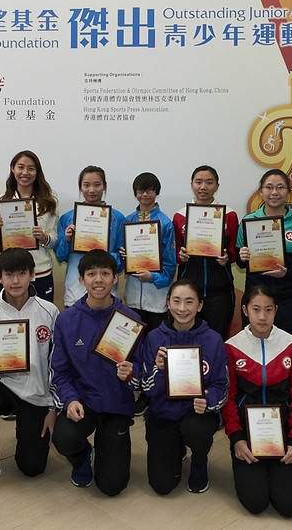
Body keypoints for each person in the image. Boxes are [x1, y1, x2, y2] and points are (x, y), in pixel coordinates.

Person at [0, 248, 59, 495]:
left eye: (21, 273)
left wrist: (52, 407)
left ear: (32, 275)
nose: (15, 281)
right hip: (2, 387)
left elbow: (57, 364)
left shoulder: (49, 312)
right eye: (9, 274)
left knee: (32, 468)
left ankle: (27, 435)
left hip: (36, 393)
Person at [49, 249, 139, 496]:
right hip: (83, 402)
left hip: (116, 405)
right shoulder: (67, 320)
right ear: (81, 280)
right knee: (64, 437)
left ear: (115, 278)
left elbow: (142, 366)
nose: (98, 279)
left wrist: (132, 372)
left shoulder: (130, 320)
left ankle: (107, 445)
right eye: (91, 274)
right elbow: (60, 371)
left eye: (105, 273)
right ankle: (81, 457)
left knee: (112, 487)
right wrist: (70, 399)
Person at [222, 285, 292, 517]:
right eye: (256, 309)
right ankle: (256, 467)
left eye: (268, 310)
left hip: (284, 434)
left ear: (276, 311)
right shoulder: (232, 346)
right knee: (255, 503)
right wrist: (237, 439)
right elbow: (228, 398)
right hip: (247, 434)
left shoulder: (291, 345)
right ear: (245, 310)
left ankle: (277, 468)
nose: (262, 316)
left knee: (289, 507)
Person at [138, 279, 228, 494]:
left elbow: (221, 385)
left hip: (196, 414)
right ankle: (175, 448)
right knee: (162, 485)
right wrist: (158, 370)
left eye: (189, 302)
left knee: (195, 429)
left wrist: (208, 401)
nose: (182, 308)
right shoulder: (154, 337)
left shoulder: (213, 339)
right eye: (176, 301)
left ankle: (199, 459)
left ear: (200, 306)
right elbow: (145, 387)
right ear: (168, 303)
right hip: (163, 413)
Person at [236, 169, 292, 345]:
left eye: (280, 187)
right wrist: (241, 256)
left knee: (289, 355)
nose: (274, 192)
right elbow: (240, 263)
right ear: (261, 191)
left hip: (291, 301)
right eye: (269, 187)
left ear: (288, 192)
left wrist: (287, 273)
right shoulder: (248, 222)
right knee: (253, 356)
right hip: (256, 302)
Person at [120, 172, 177, 417]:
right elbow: (121, 262)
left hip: (156, 297)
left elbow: (171, 264)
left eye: (150, 189)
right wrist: (123, 258)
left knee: (154, 347)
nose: (145, 194)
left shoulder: (165, 222)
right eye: (141, 190)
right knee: (132, 345)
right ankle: (131, 387)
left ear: (157, 192)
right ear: (135, 193)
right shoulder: (128, 220)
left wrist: (152, 277)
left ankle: (149, 392)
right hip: (133, 295)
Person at [172, 165, 239, 339]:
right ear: (192, 184)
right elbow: (175, 248)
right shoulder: (180, 216)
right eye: (198, 182)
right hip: (189, 291)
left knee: (218, 339)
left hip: (220, 291)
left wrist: (228, 257)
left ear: (217, 186)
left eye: (209, 182)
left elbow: (234, 247)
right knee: (187, 338)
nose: (203, 187)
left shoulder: (229, 214)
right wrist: (180, 255)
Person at [0, 150, 59, 302]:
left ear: (37, 171)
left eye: (31, 168)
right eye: (20, 167)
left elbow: (54, 241)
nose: (25, 173)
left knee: (41, 323)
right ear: (12, 169)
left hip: (39, 272)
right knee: (8, 321)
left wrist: (44, 238)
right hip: (9, 274)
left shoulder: (49, 201)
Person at [54, 166, 125, 307]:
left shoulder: (118, 218)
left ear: (104, 187)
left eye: (97, 185)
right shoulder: (68, 218)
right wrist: (67, 240)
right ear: (80, 187)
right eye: (86, 185)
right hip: (75, 289)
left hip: (106, 291)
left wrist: (104, 256)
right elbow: (60, 256)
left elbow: (121, 262)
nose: (91, 190)